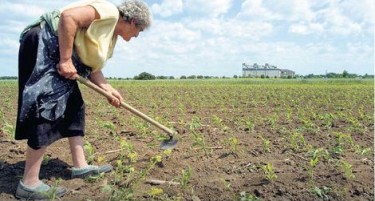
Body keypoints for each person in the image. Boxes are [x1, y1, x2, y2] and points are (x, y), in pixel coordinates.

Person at [15, 0, 151, 199]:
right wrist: (65, 59)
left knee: (74, 105)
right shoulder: (110, 12)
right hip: (45, 42)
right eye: (139, 30)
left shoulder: (110, 35)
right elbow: (68, 18)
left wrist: (107, 88)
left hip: (58, 50)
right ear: (131, 21)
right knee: (48, 106)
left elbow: (91, 65)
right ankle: (29, 183)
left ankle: (80, 165)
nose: (137, 35)